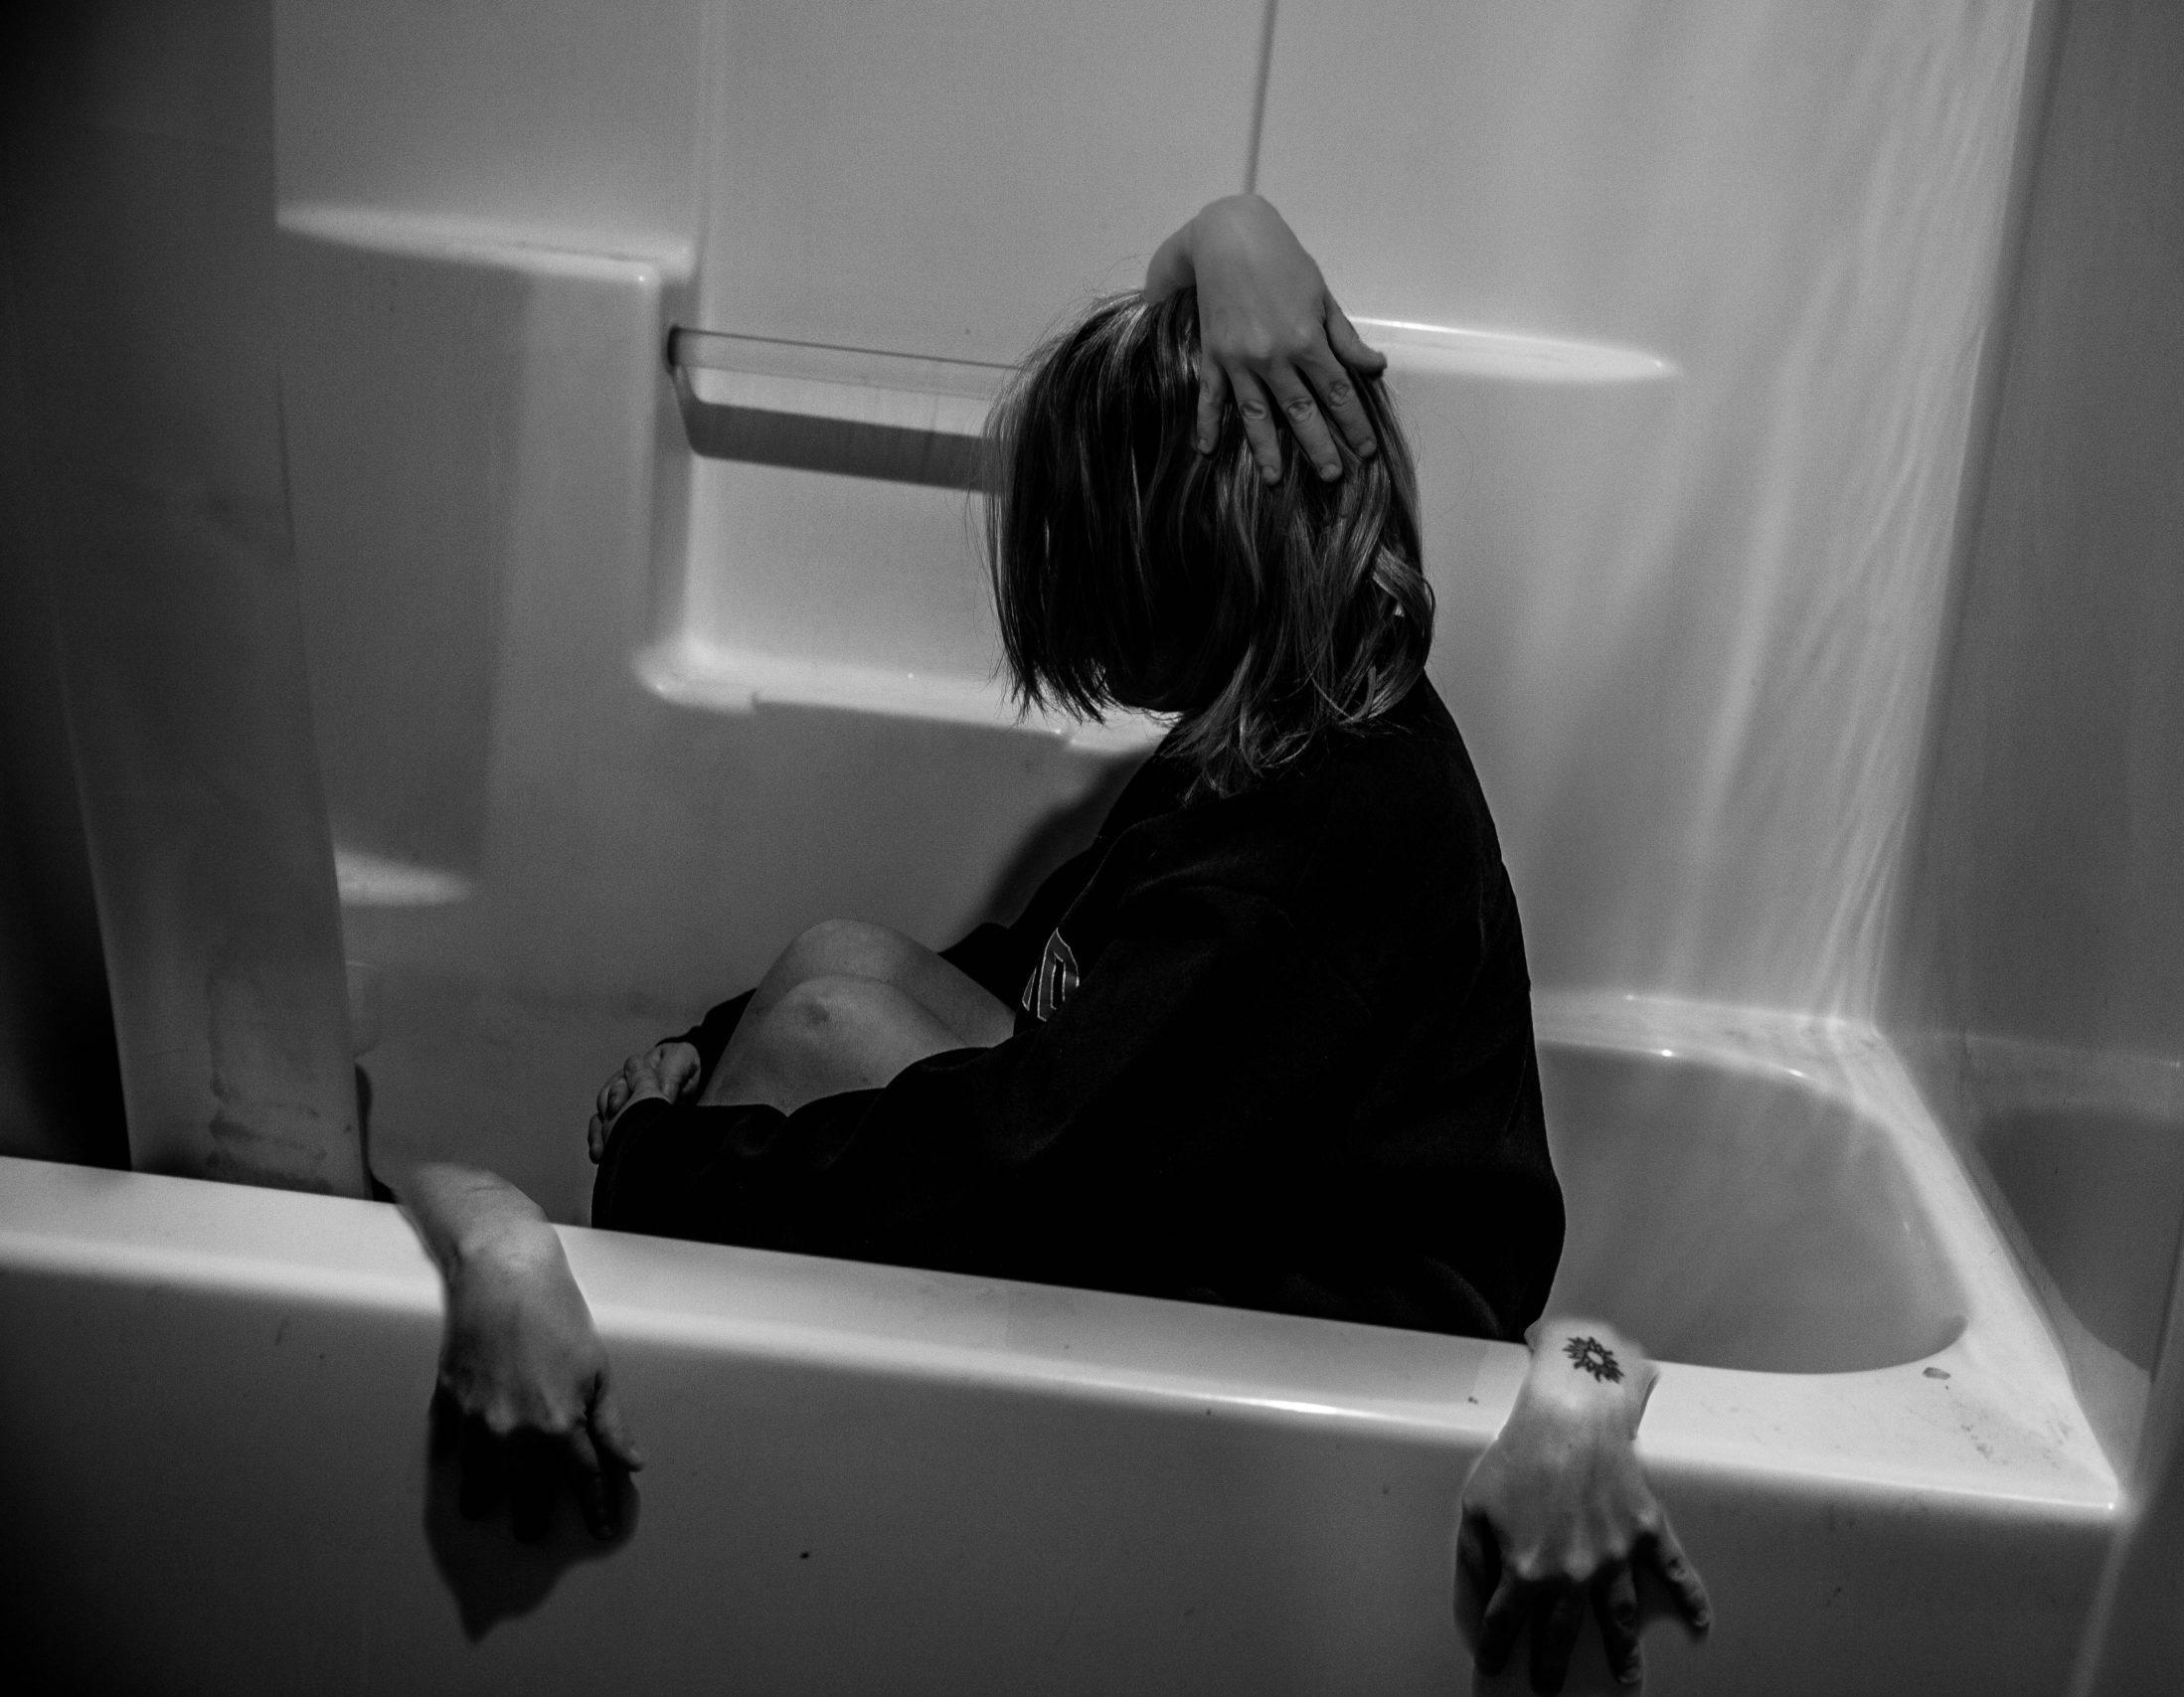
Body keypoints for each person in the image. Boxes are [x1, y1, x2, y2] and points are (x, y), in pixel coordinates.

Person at [396, 195, 1705, 1690]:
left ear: (1171, 561)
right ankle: (718, 1359)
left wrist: (670, 1168)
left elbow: (1034, 1168)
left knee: (824, 1036)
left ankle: (720, 1505)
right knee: (836, 961)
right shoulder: (1282, 713)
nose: (1064, 614)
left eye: (1086, 563)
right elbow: (1043, 965)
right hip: (1216, 1209)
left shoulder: (1317, 839)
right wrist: (705, 1045)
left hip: (1327, 1360)